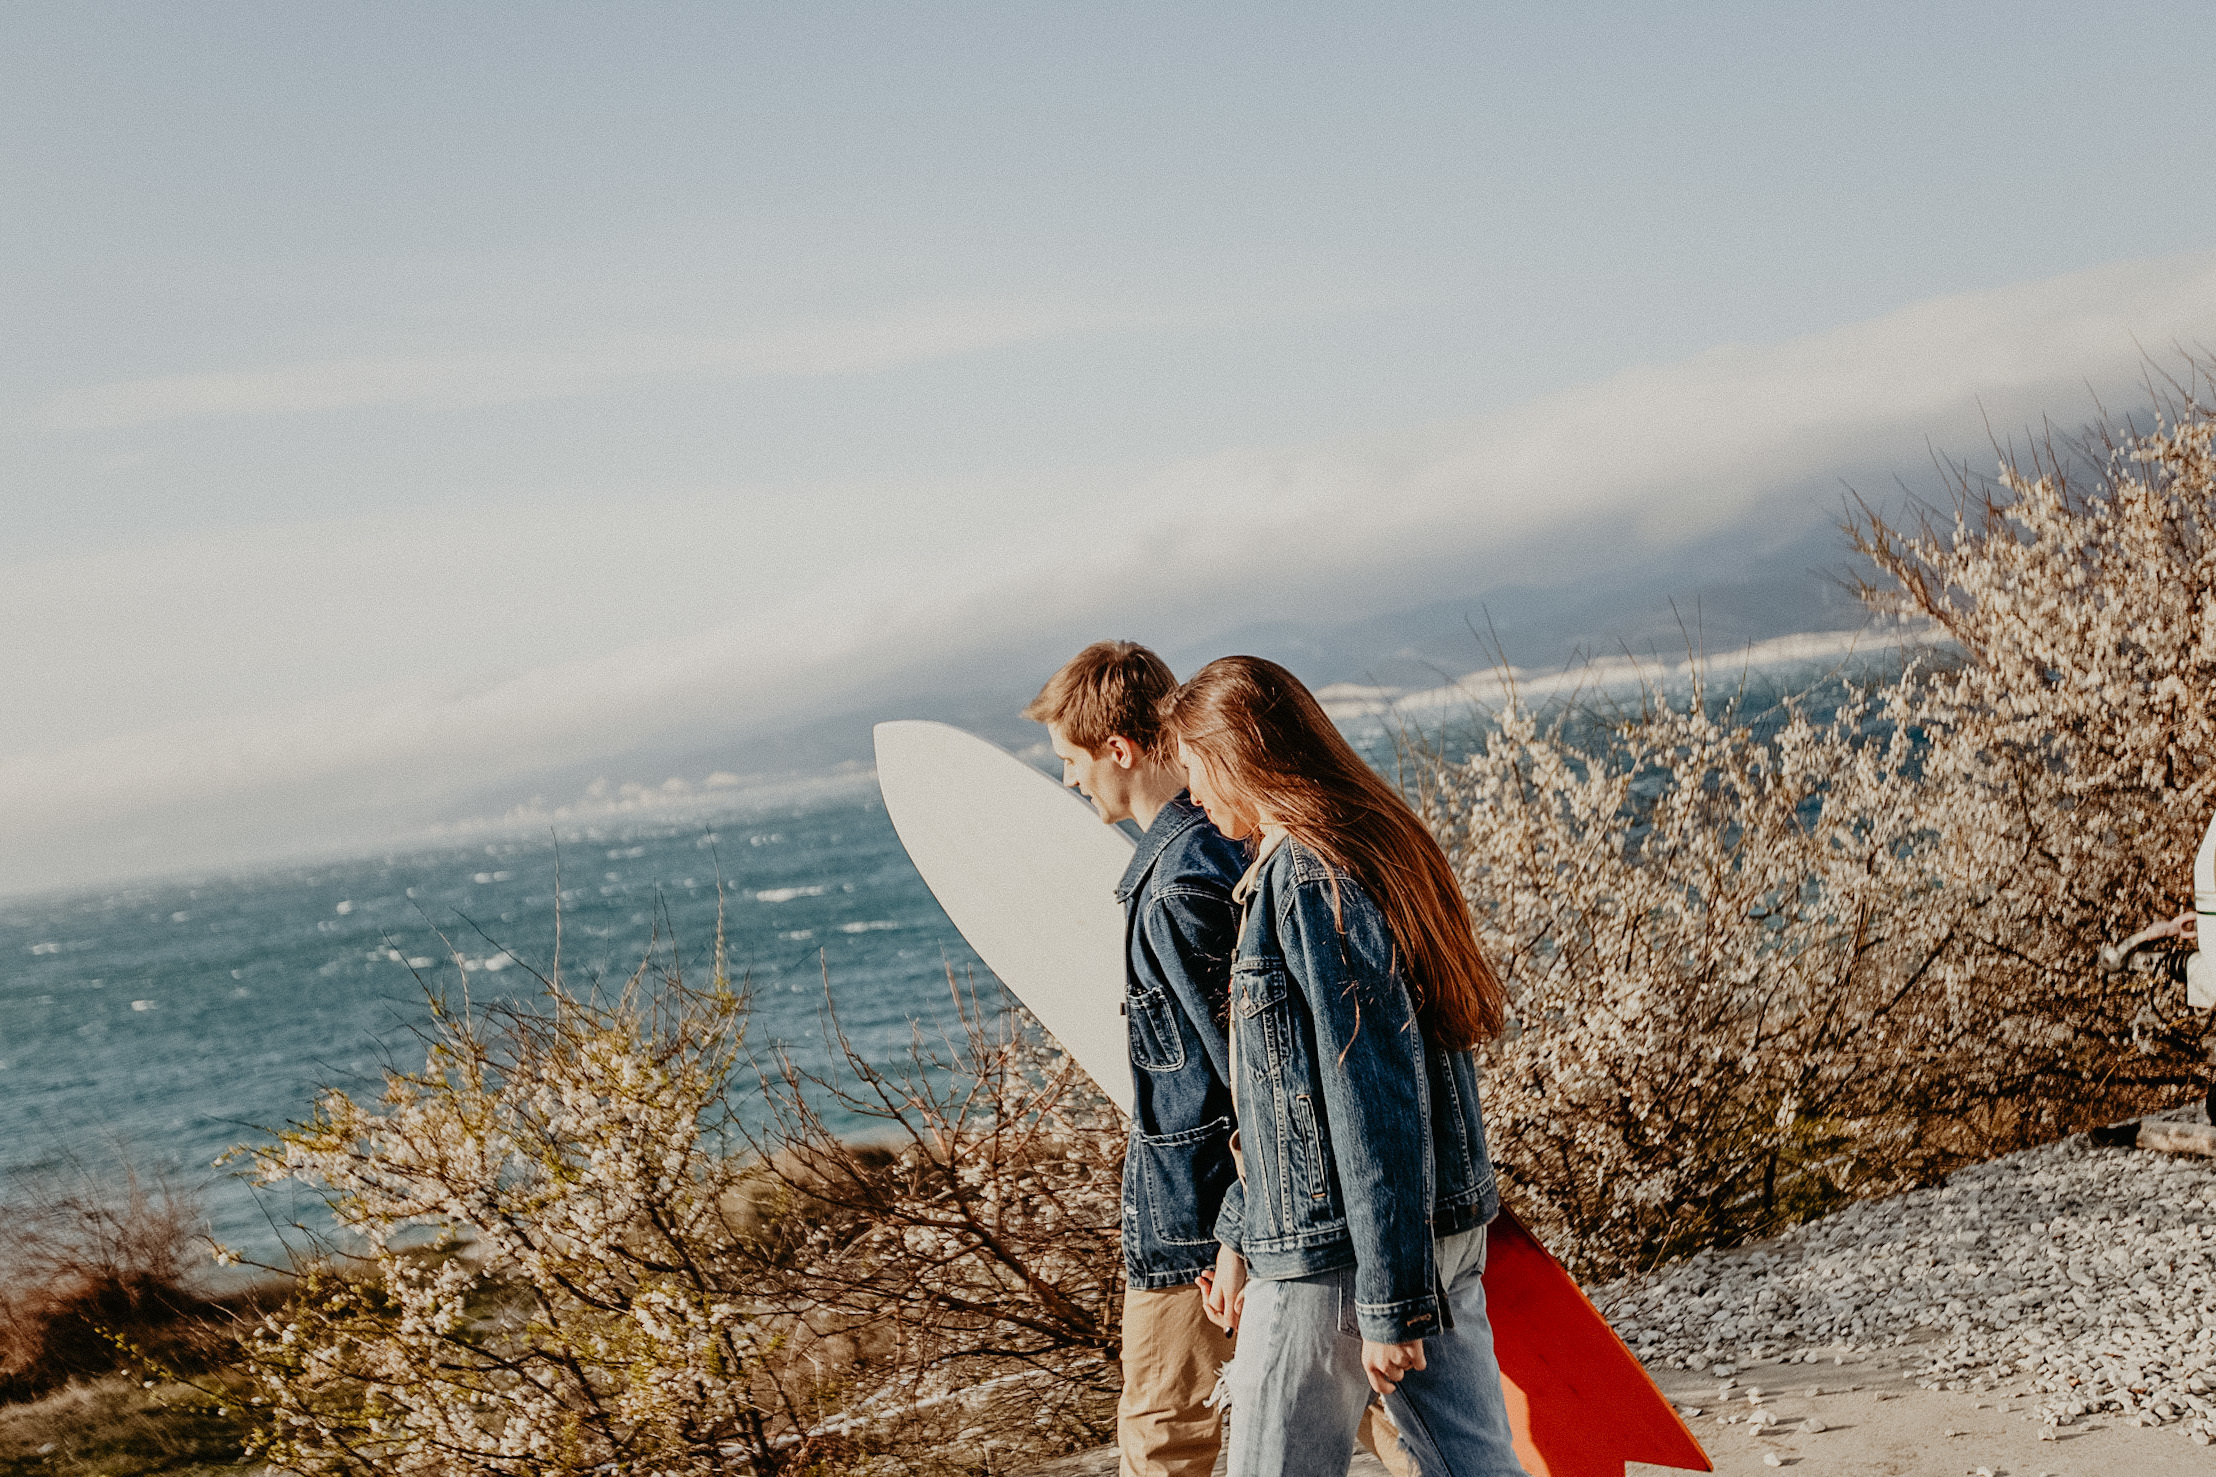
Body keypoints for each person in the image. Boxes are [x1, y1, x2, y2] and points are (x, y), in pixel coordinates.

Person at [1026, 643, 1415, 1477]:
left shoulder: (1179, 884)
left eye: (1070, 759)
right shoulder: (1223, 844)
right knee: (1364, 1410)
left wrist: (1234, 1230)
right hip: (1244, 1211)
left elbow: (1261, 1081)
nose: (1067, 779)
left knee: (1165, 1438)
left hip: (1199, 1218)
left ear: (1118, 749)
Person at [1162, 655, 1530, 1477]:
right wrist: (1239, 1230)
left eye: (1194, 768)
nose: (1192, 795)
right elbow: (1287, 1100)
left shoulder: (1307, 876)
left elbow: (1372, 1090)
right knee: (1476, 1465)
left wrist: (1390, 1299)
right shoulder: (1373, 845)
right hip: (1430, 1231)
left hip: (1336, 1255)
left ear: (1238, 754)